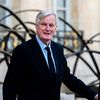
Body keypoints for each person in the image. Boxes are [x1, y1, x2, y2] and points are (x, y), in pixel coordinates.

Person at [3, 11, 98, 100]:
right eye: (44, 24)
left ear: (55, 28)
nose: (48, 29)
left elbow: (68, 78)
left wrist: (93, 95)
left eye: (51, 25)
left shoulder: (58, 49)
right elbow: (10, 86)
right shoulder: (22, 50)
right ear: (36, 27)